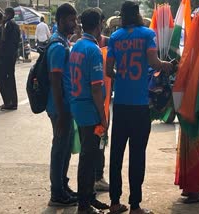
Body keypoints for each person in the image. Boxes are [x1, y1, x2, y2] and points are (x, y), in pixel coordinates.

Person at [106, 1, 173, 214]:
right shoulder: (147, 34)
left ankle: (115, 203)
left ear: (122, 16)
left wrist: (123, 78)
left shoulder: (115, 37)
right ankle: (135, 206)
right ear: (137, 15)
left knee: (116, 155)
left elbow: (109, 70)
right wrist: (166, 65)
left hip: (121, 104)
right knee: (137, 155)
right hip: (140, 105)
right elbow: (153, 63)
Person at [70, 8, 111, 214]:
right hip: (90, 110)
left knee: (90, 156)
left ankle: (89, 198)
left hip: (79, 106)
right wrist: (103, 118)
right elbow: (96, 88)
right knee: (88, 158)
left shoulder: (77, 46)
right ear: (100, 24)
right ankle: (84, 205)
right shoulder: (92, 49)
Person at [46, 3, 78, 207]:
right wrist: (61, 111)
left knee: (65, 148)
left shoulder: (64, 42)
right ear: (60, 21)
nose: (74, 23)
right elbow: (55, 82)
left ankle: (63, 185)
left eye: (74, 19)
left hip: (66, 106)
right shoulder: (57, 46)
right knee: (59, 148)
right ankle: (56, 193)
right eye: (70, 20)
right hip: (60, 108)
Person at [93, 6, 110, 193]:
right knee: (92, 141)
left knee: (101, 139)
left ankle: (99, 175)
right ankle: (94, 177)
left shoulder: (109, 42)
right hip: (92, 100)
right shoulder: (81, 44)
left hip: (105, 102)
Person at [0, 8, 20, 111]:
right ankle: (12, 102)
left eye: (5, 14)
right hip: (11, 56)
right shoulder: (14, 25)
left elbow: (3, 38)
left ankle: (9, 102)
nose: (4, 16)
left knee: (1, 77)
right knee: (9, 78)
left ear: (9, 14)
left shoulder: (9, 25)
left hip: (7, 56)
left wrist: (3, 24)